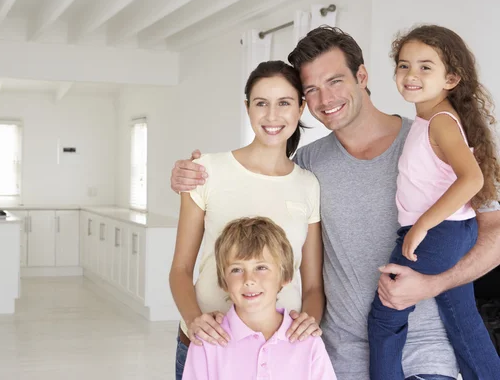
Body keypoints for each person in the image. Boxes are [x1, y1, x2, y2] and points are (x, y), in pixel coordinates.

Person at [170, 26, 500, 380]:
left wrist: (435, 284)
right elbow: (259, 202)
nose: (325, 99)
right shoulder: (308, 165)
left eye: (335, 81)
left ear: (362, 75)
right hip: (337, 359)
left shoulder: (432, 138)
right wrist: (189, 176)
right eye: (312, 89)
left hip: (424, 354)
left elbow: (494, 234)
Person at [169, 60, 326, 380]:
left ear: (300, 108)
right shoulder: (206, 171)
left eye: (284, 103)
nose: (272, 115)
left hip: (283, 352)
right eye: (261, 103)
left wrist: (310, 321)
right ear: (247, 107)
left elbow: (311, 284)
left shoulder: (308, 184)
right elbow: (180, 270)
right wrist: (195, 319)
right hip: (208, 345)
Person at [368, 25, 500, 380]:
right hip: (452, 231)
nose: (411, 75)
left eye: (426, 67)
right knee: (461, 317)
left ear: (451, 78)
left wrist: (422, 226)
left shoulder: (441, 121)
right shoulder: (428, 119)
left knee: (385, 317)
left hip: (439, 232)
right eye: (404, 65)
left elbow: (472, 179)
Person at [182, 216, 336, 380]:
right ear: (224, 281)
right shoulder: (206, 342)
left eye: (261, 267)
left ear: (285, 276)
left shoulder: (308, 341)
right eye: (236, 270)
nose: (249, 280)